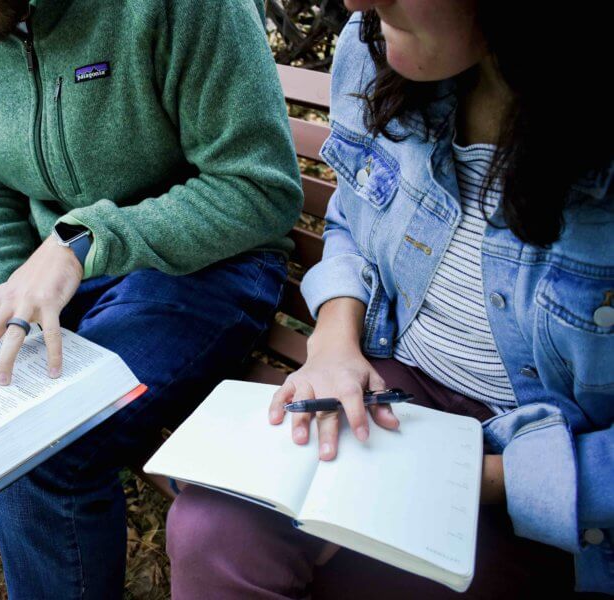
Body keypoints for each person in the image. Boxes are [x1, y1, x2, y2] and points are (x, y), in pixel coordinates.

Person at [0, 0, 303, 598]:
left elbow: (259, 188)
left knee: (41, 445)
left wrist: (81, 240)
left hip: (206, 263)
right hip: (47, 268)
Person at [166, 1, 614, 597]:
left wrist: (478, 478)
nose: (351, 1)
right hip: (392, 392)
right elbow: (351, 219)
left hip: (552, 468)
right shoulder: (375, 47)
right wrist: (331, 343)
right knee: (213, 528)